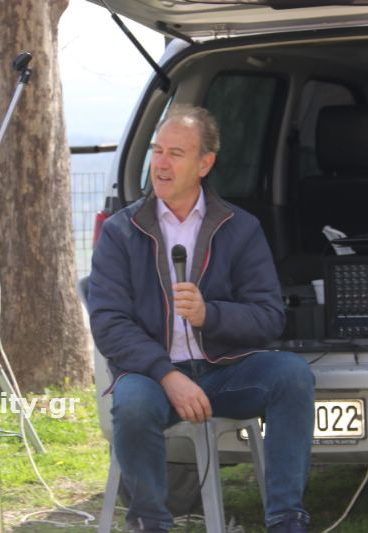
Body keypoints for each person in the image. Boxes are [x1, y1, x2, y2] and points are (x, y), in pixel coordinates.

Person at [87, 104, 315, 533]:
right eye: (157, 151)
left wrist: (210, 314)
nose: (161, 163)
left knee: (291, 376)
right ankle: (151, 524)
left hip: (225, 371)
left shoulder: (240, 227)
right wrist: (167, 374)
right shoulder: (120, 231)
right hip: (152, 376)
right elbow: (109, 323)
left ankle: (287, 519)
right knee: (132, 405)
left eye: (175, 153)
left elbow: (269, 317)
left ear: (205, 164)